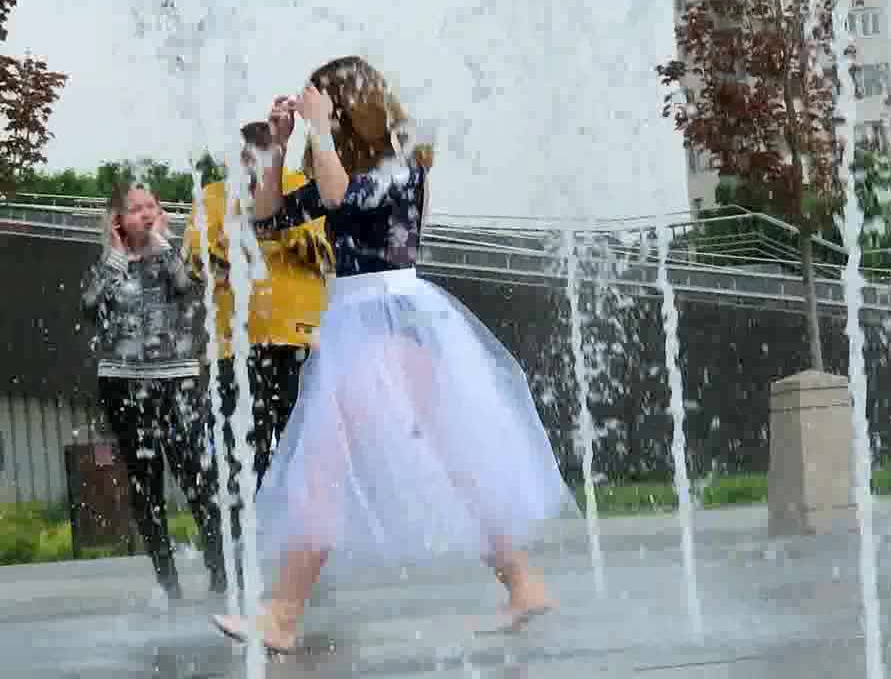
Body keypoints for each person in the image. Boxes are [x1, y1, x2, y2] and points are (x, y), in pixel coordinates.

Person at [212, 56, 576, 653]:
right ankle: (523, 582)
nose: (315, 118)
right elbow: (271, 217)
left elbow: (340, 197)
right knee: (449, 457)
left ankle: (282, 614)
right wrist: (277, 148)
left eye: (323, 107)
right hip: (365, 322)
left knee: (322, 462)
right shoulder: (352, 167)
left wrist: (317, 131)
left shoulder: (402, 168)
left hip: (390, 321)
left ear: (348, 109)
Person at [184, 122, 333, 555]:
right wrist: (240, 232)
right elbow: (194, 260)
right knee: (239, 454)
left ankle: (297, 553)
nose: (253, 167)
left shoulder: (301, 187)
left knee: (300, 450)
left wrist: (276, 224)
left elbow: (327, 253)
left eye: (263, 157)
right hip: (235, 346)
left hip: (298, 341)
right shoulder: (212, 197)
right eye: (246, 157)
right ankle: (240, 552)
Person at [81, 181, 225, 602]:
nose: (145, 214)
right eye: (135, 209)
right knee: (145, 481)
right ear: (117, 220)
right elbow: (90, 307)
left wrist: (161, 246)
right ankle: (167, 580)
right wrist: (115, 256)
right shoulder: (108, 263)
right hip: (122, 381)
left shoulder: (170, 255)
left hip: (176, 378)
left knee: (197, 476)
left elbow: (186, 288)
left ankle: (220, 571)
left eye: (151, 206)